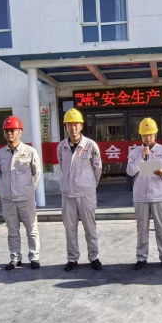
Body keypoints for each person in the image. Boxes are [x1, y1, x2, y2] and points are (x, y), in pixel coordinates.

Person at [126, 118, 162, 270]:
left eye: (150, 134)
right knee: (142, 229)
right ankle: (141, 258)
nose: (148, 138)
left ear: (155, 134)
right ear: (140, 136)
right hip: (141, 197)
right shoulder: (135, 152)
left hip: (159, 196)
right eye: (144, 135)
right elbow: (130, 171)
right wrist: (141, 157)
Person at [57, 108, 103, 272]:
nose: (73, 128)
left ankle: (94, 257)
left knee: (90, 228)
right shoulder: (61, 146)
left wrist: (89, 185)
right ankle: (72, 258)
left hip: (86, 194)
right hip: (68, 195)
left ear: (82, 125)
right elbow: (63, 167)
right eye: (69, 124)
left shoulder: (90, 145)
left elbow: (97, 168)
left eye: (76, 124)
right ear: (65, 126)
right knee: (70, 229)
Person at [0, 116, 42, 270]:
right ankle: (15, 258)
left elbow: (36, 173)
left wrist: (27, 189)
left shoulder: (30, 151)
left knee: (31, 229)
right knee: (12, 230)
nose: (9, 133)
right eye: (6, 131)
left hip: (26, 198)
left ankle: (34, 257)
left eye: (12, 130)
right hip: (8, 199)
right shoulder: (0, 154)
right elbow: (1, 173)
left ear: (20, 132)